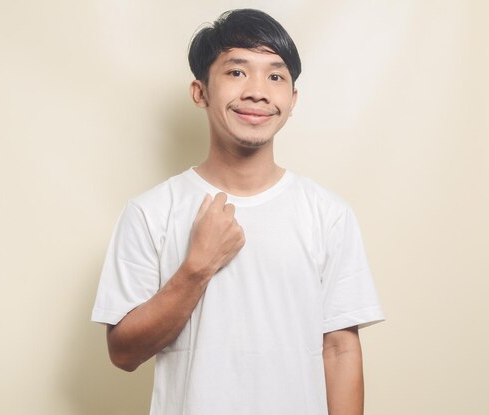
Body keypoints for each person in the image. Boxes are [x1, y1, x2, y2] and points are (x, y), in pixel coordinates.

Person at [91, 8, 384, 415]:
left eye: (276, 76)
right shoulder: (150, 212)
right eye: (237, 72)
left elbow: (339, 349)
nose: (258, 91)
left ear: (293, 99)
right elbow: (123, 353)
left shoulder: (328, 213)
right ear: (200, 92)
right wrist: (196, 268)